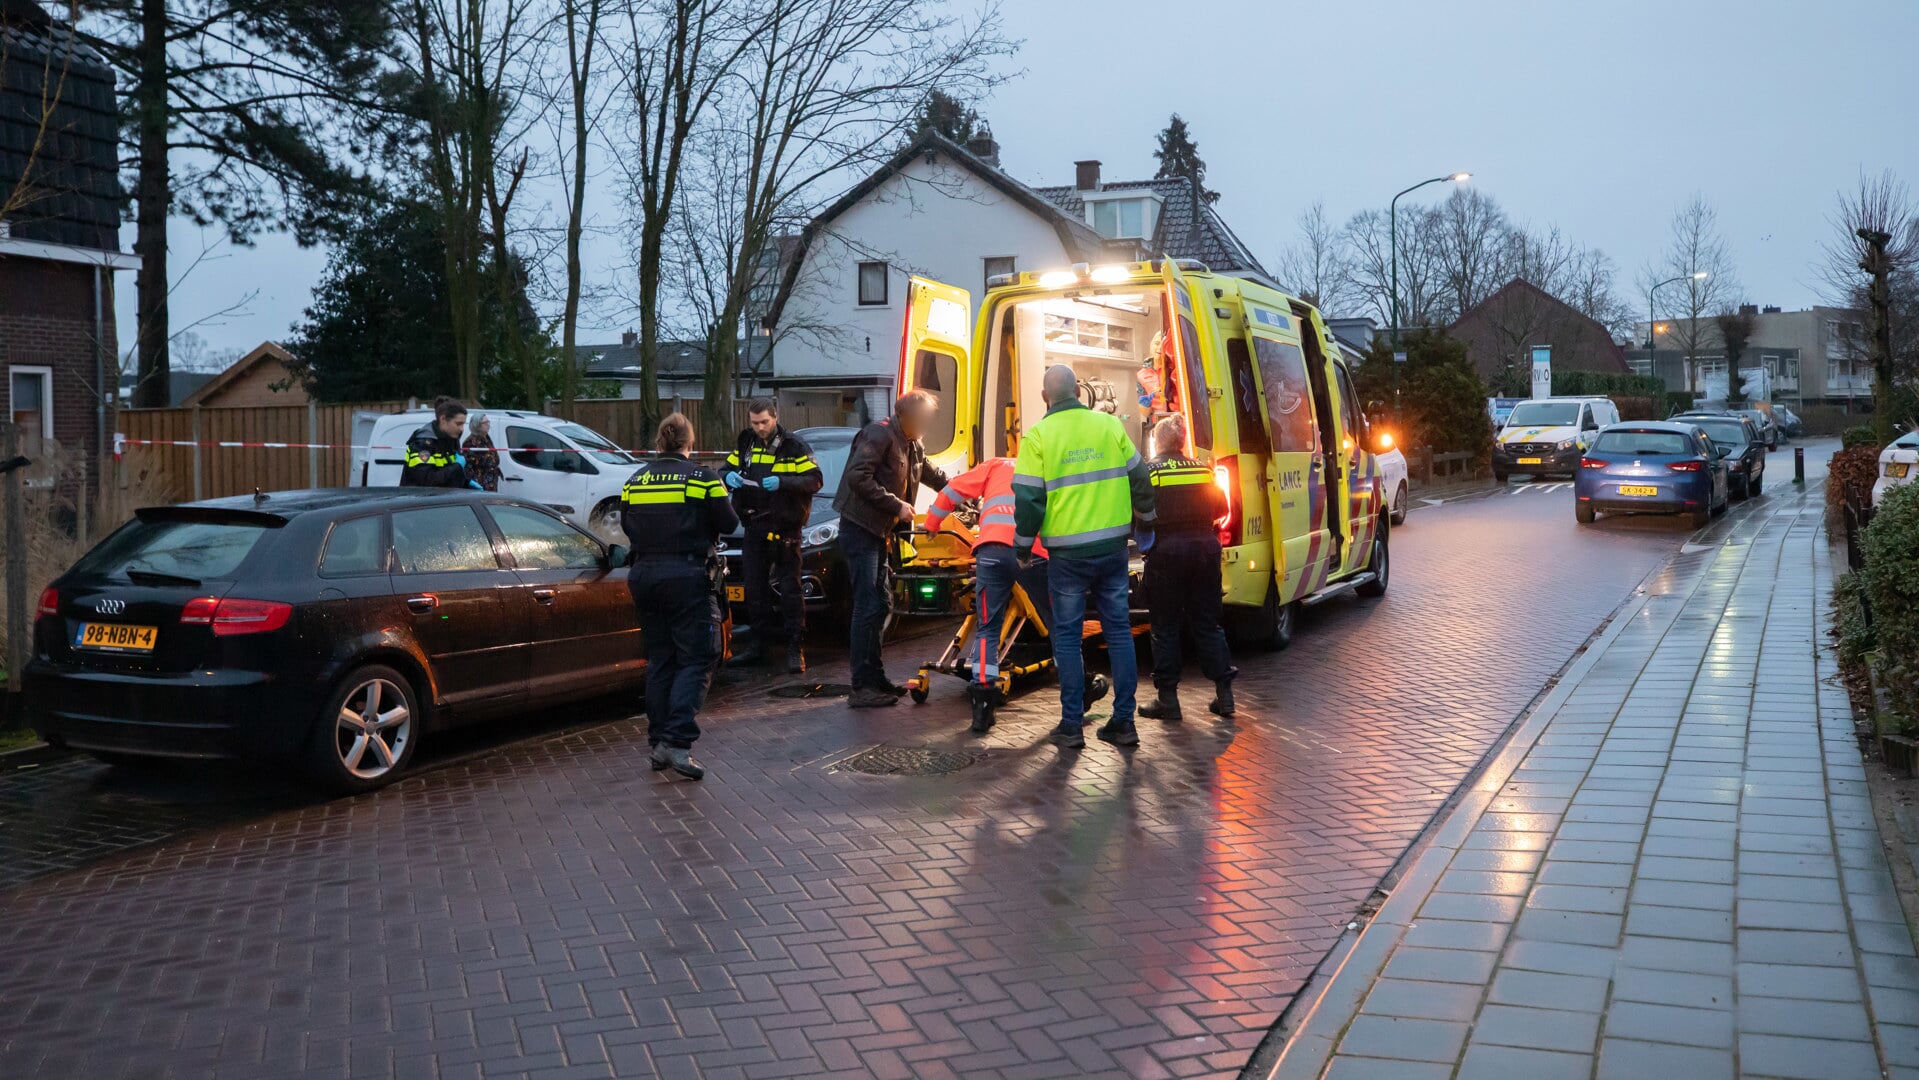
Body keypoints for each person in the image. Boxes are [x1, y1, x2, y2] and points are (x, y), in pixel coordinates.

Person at [1014, 364, 1155, 749]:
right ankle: (1124, 722)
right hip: (1112, 550)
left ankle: (1072, 725)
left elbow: (1028, 499)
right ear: (1078, 390)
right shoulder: (1109, 426)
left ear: (1045, 397)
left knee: (1067, 636)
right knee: (1119, 632)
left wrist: (1023, 548)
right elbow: (1140, 477)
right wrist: (1147, 520)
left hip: (1067, 558)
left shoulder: (1038, 436)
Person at [619, 412, 739, 780]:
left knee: (660, 659)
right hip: (687, 576)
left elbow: (626, 523)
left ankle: (658, 743)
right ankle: (676, 742)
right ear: (691, 442)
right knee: (700, 656)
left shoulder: (635, 480)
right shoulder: (703, 477)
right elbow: (730, 523)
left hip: (643, 575)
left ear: (659, 442)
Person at [834, 391, 950, 709]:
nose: (928, 424)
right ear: (907, 415)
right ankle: (861, 687)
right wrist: (896, 504)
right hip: (860, 530)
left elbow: (930, 473)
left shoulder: (912, 443)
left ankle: (875, 677)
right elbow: (858, 477)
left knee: (882, 604)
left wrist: (961, 490)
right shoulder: (879, 434)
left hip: (879, 534)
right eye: (924, 418)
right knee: (867, 606)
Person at [924, 456, 1046, 733]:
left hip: (990, 549)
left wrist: (932, 523)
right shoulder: (1043, 463)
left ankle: (982, 708)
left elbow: (953, 489)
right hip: (1031, 553)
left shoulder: (995, 465)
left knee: (988, 629)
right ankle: (1078, 695)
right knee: (1059, 624)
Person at [1136, 414, 1237, 722]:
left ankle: (1168, 699)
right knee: (1208, 623)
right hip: (1205, 550)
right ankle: (1225, 695)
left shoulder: (1149, 472)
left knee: (1165, 626)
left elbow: (1140, 514)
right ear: (1181, 442)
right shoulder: (1203, 470)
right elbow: (1221, 509)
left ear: (1158, 441)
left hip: (1167, 553)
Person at [720, 399, 823, 674]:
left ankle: (794, 648)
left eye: (764, 422)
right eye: (755, 423)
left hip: (785, 528)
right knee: (755, 590)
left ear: (775, 417)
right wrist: (728, 477)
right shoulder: (747, 443)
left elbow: (814, 480)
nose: (760, 427)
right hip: (754, 524)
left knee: (790, 591)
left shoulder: (794, 446)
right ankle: (758, 647)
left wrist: (783, 482)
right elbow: (725, 469)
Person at [401, 396, 481, 489]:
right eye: (458, 424)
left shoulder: (450, 440)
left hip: (444, 499)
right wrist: (457, 467)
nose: (462, 429)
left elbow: (447, 477)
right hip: (421, 501)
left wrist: (465, 483)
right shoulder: (423, 444)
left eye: (463, 424)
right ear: (443, 419)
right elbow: (427, 481)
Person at [463, 413, 502, 492]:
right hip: (480, 485)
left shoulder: (487, 438)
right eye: (485, 423)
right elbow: (468, 467)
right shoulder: (471, 442)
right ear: (477, 425)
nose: (488, 425)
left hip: (491, 482)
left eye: (488, 422)